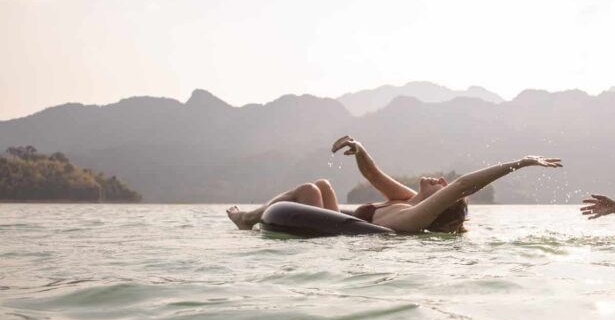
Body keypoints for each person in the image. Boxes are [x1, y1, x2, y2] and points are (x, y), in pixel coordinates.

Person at [227, 135, 562, 233]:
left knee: (310, 192)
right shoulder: (408, 200)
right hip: (338, 225)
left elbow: (462, 186)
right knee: (322, 185)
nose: (440, 181)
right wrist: (359, 148)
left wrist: (522, 162)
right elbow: (373, 176)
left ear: (441, 200)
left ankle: (248, 219)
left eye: (441, 188)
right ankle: (249, 218)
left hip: (330, 235)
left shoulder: (411, 217)